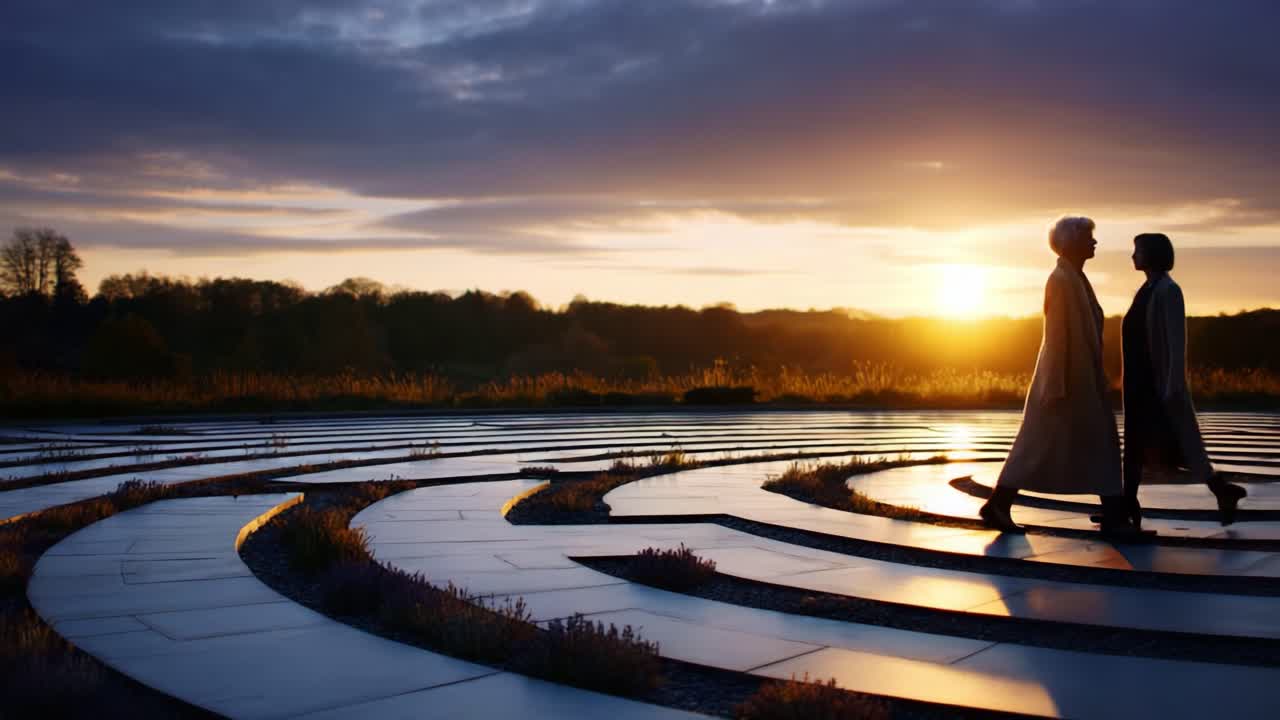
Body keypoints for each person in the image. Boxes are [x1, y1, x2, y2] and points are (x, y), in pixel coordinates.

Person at [979, 216, 1141, 535]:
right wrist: (1054, 386)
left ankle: (1112, 514)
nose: (1095, 243)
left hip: (1080, 382)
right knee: (1040, 447)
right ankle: (999, 504)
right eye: (1088, 237)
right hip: (1065, 384)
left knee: (1096, 446)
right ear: (1069, 243)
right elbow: (1055, 336)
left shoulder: (1075, 278)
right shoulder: (1061, 280)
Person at [1121, 233, 1246, 526]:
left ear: (1151, 253)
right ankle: (1127, 507)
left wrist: (1172, 385)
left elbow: (1178, 343)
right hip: (1140, 383)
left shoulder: (1168, 290)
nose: (1133, 256)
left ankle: (1222, 490)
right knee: (1136, 447)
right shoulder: (1148, 288)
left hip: (1157, 383)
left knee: (1176, 447)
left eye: (1137, 250)